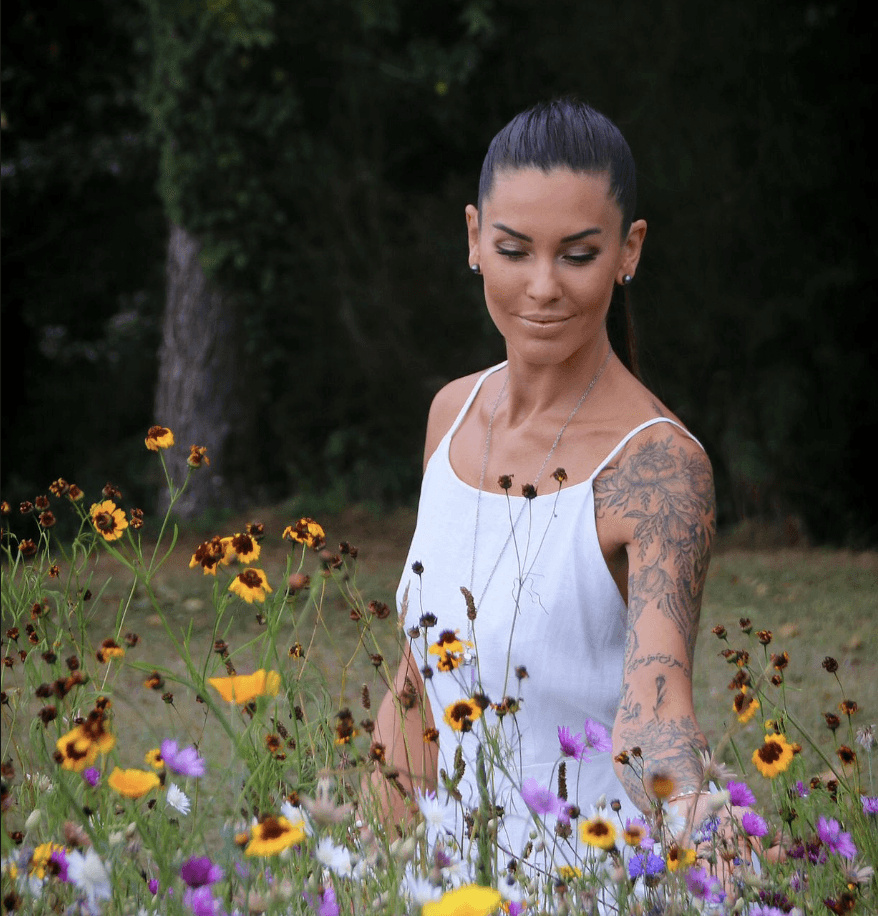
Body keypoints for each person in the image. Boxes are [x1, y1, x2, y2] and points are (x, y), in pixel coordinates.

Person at [373, 98, 716, 872]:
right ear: (474, 240)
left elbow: (656, 707)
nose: (542, 286)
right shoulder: (450, 416)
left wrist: (706, 834)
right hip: (443, 883)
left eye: (578, 254)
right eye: (515, 249)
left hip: (581, 877)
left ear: (629, 251)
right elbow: (418, 685)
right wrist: (363, 866)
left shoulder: (657, 468)